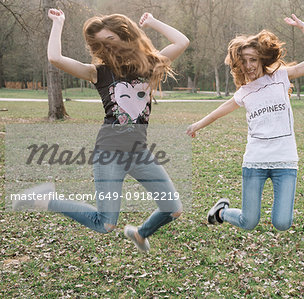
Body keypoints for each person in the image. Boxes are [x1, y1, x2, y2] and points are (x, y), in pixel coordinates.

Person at [13, 8, 189, 253]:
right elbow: (56, 58)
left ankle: (139, 234)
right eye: (101, 44)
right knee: (105, 224)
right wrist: (58, 23)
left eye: (111, 39)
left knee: (173, 208)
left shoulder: (150, 65)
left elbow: (182, 41)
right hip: (109, 153)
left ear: (125, 37)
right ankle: (48, 199)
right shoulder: (99, 72)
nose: (107, 47)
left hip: (139, 153)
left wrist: (153, 22)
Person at [186, 14, 304, 231]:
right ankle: (221, 212)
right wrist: (197, 125)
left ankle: (222, 211)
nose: (249, 66)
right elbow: (219, 112)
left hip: (285, 161)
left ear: (262, 59)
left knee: (282, 223)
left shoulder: (281, 77)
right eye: (244, 62)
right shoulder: (244, 92)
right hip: (255, 162)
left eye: (253, 59)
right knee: (249, 222)